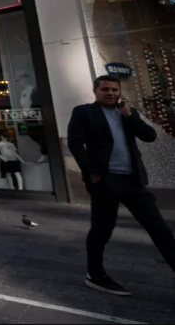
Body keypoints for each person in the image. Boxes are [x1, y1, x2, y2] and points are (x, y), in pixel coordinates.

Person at [68, 75, 175, 296]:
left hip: (133, 181)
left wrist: (130, 116)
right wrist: (93, 173)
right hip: (106, 181)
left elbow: (150, 136)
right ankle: (95, 275)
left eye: (115, 90)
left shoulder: (127, 112)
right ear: (95, 91)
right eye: (105, 89)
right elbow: (75, 143)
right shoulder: (84, 112)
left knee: (160, 229)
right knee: (102, 229)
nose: (111, 93)